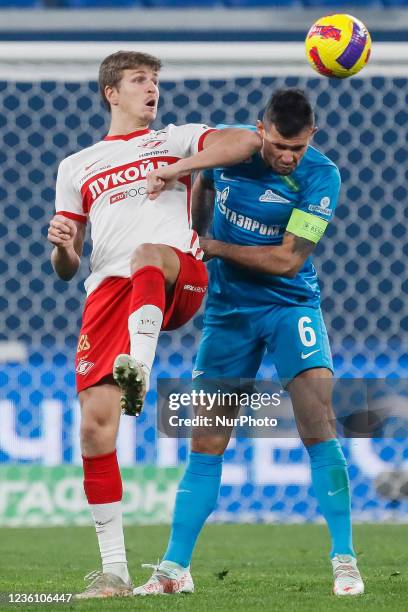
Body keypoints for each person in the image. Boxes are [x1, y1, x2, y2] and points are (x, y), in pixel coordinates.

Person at [47, 50, 261, 599]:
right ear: (110, 93)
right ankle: (114, 573)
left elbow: (247, 142)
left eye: (155, 80)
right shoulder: (77, 166)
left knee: (148, 251)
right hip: (109, 293)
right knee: (95, 429)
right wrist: (65, 249)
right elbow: (67, 270)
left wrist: (178, 168)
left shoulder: (173, 138)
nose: (152, 89)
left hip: (174, 273)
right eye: (139, 80)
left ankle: (138, 369)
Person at [135, 89, 365, 597]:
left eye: (297, 149)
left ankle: (344, 559)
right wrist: (195, 232)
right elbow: (204, 186)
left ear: (312, 138)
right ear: (262, 130)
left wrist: (211, 246)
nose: (287, 157)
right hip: (228, 312)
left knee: (317, 421)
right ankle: (175, 570)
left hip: (289, 305)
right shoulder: (232, 153)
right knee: (207, 441)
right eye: (280, 145)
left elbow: (288, 261)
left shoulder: (321, 176)